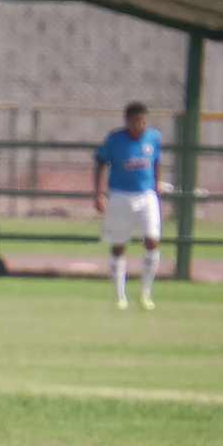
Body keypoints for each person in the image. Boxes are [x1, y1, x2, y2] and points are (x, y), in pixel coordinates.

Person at [93, 101, 164, 310]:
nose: (139, 125)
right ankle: (120, 296)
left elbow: (156, 162)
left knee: (152, 240)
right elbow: (99, 163)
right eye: (135, 121)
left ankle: (145, 292)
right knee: (119, 244)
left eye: (142, 120)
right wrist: (98, 194)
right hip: (120, 196)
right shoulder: (114, 139)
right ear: (127, 121)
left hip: (146, 195)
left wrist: (157, 188)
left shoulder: (154, 137)